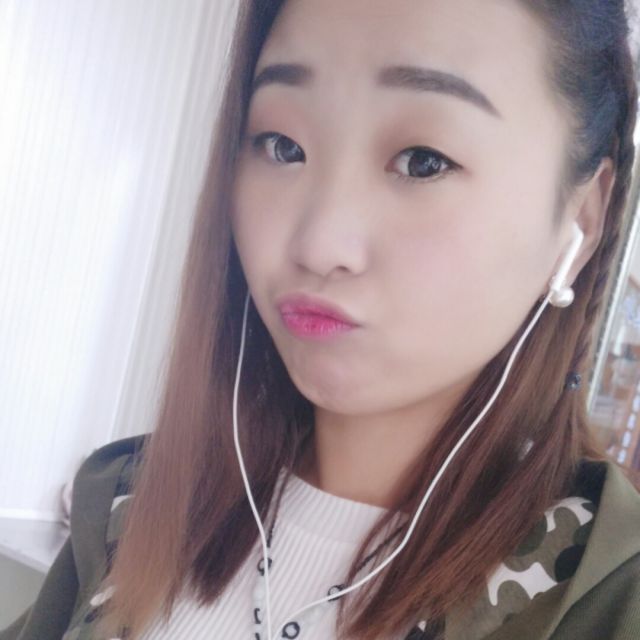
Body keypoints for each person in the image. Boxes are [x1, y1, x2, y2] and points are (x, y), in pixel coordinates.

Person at [3, 0, 640, 638]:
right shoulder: (129, 511)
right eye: (283, 146)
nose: (318, 243)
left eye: (423, 160)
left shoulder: (604, 596)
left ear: (583, 218)